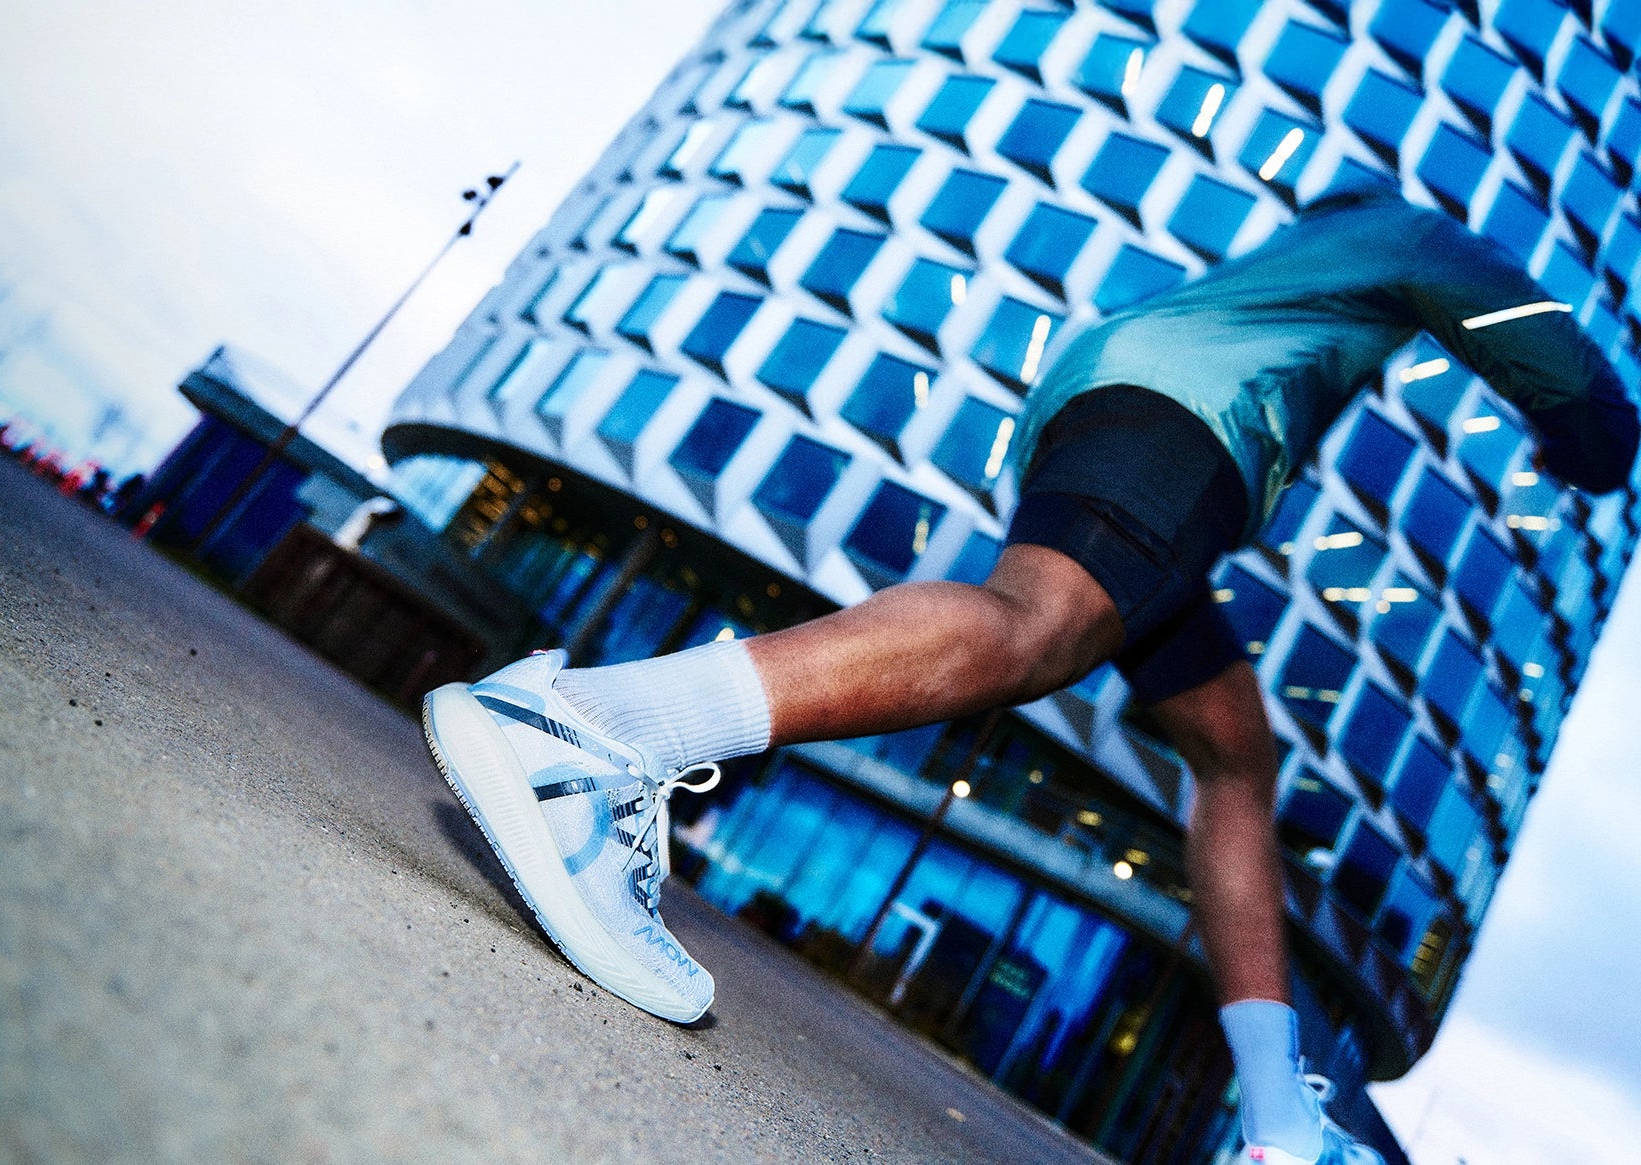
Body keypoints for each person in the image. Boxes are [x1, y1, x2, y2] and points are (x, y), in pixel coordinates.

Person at [422, 187, 1638, 1165]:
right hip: (1185, 428)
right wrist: (1587, 423)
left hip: (1130, 414)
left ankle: (1278, 1123)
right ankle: (586, 728)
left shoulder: (1272, 281)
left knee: (1233, 756)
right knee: (1035, 625)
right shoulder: (1391, 231)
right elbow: (1503, 314)